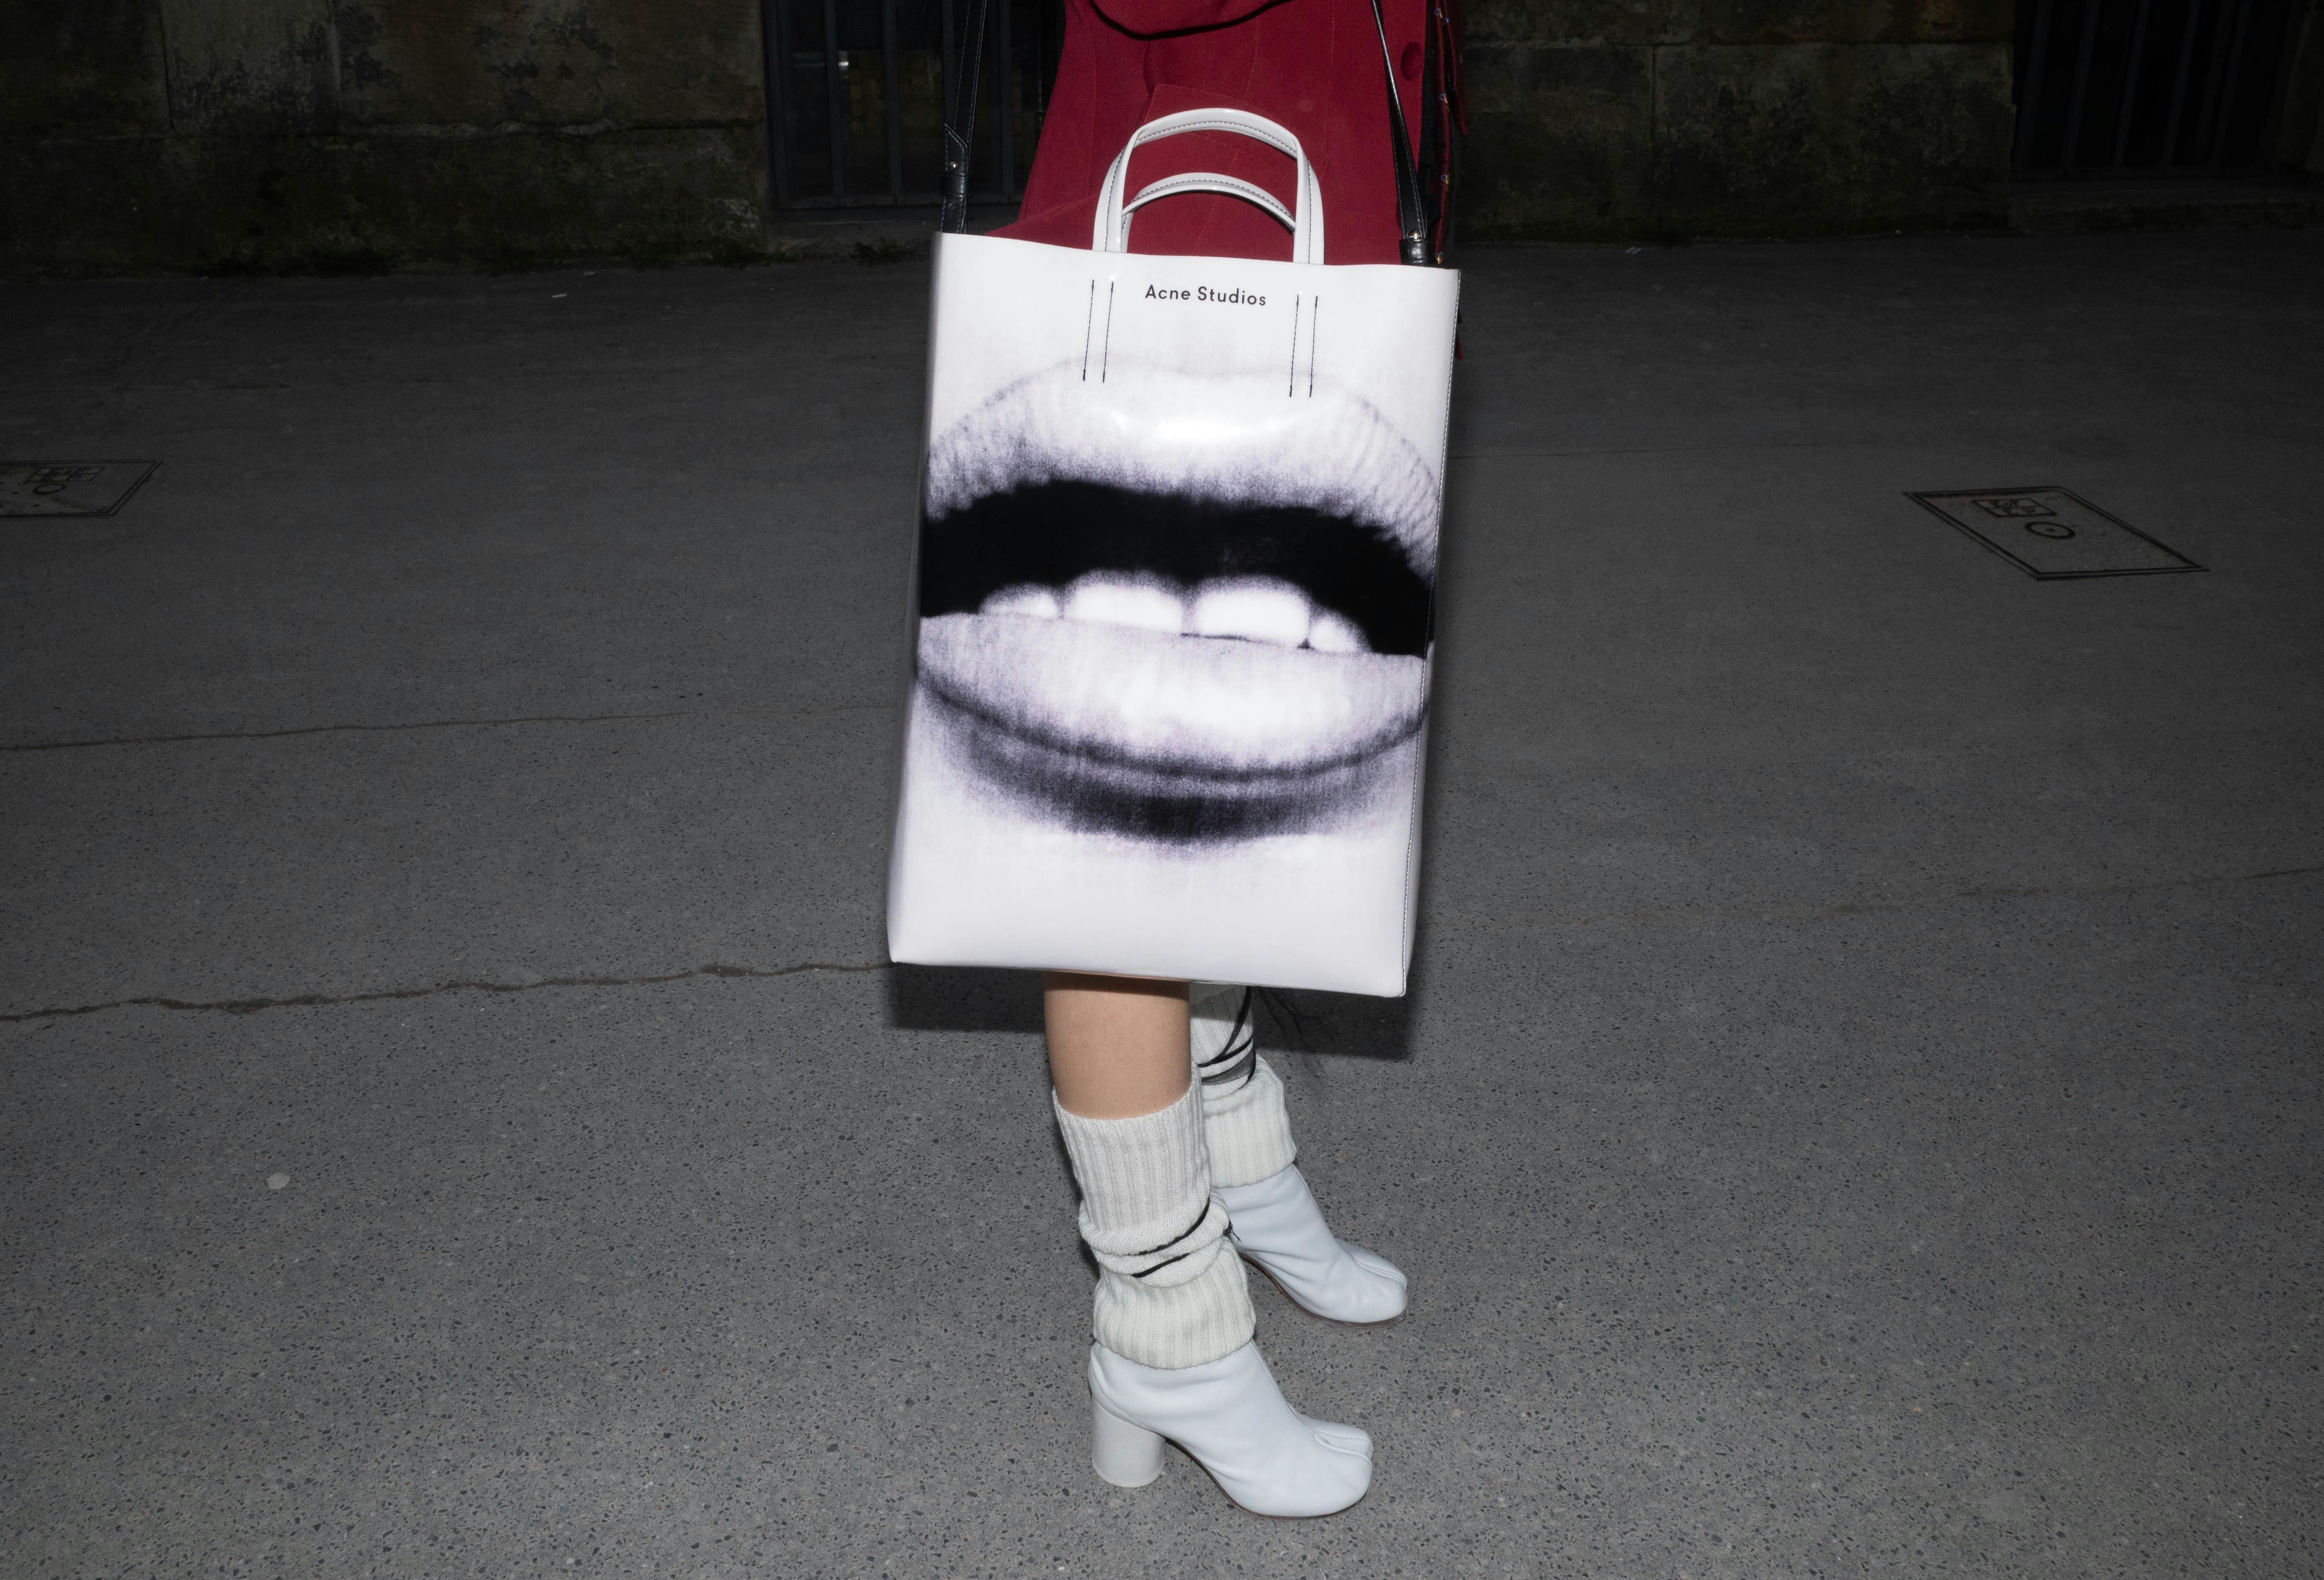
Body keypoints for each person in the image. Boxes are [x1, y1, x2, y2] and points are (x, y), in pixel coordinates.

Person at [986, 0, 1463, 1518]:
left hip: (1304, 228)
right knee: (1128, 838)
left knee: (1249, 769)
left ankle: (1241, 1169)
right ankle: (1168, 1320)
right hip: (1168, 271)